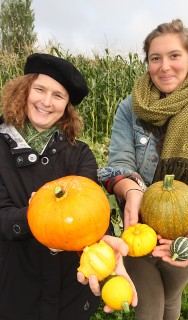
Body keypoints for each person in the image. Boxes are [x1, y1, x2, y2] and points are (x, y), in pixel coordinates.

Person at [98, 19, 188, 320]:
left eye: (174, 55)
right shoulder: (129, 108)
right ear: (147, 63)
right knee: (149, 308)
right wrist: (132, 191)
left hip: (187, 230)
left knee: (171, 297)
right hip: (138, 226)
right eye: (155, 58)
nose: (164, 66)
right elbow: (119, 162)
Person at [0, 53, 137, 320]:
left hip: (70, 290)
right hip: (13, 286)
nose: (46, 102)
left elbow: (94, 211)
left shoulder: (80, 154)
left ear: (67, 107)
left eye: (59, 96)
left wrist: (104, 247)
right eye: (39, 89)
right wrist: (35, 217)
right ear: (24, 89)